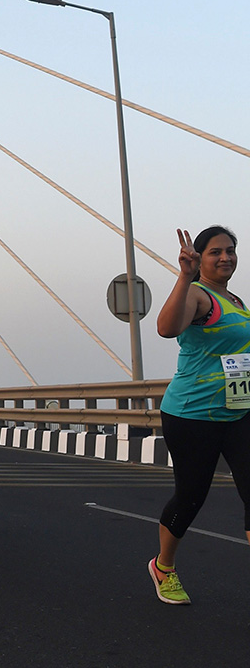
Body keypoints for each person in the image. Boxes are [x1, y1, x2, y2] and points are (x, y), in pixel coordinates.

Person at [150, 226, 250, 604]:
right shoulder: (196, 294)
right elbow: (165, 328)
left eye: (231, 251)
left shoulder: (237, 300)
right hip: (193, 414)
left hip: (239, 412)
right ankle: (164, 565)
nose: (225, 257)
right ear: (200, 258)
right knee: (191, 497)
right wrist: (184, 276)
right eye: (216, 252)